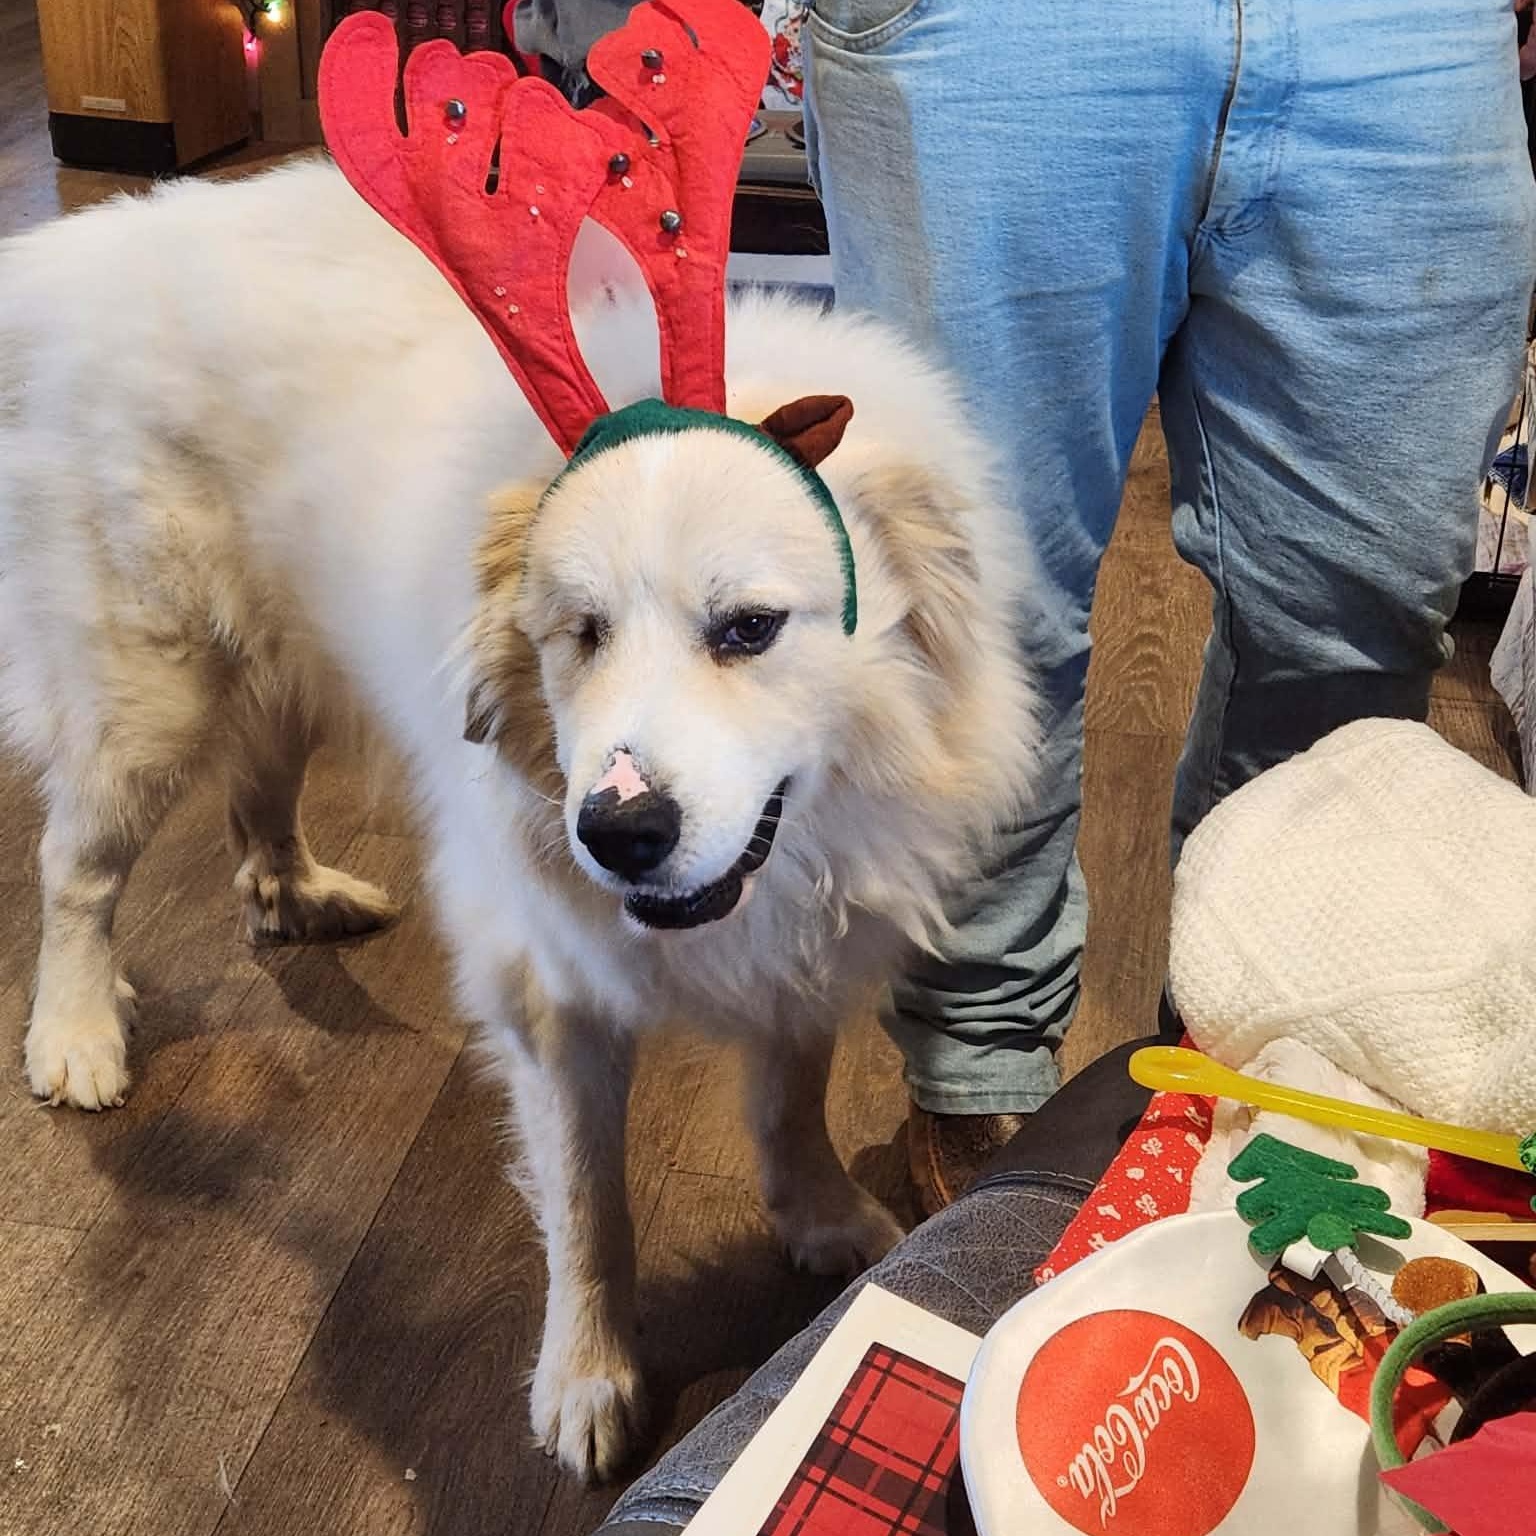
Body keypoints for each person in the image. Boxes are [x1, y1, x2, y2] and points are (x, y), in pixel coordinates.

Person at [800, 0, 1536, 1213]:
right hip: (993, 29)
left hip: (1401, 27)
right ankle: (983, 1063)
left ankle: (1264, 1017)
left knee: (1363, 617)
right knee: (978, 610)